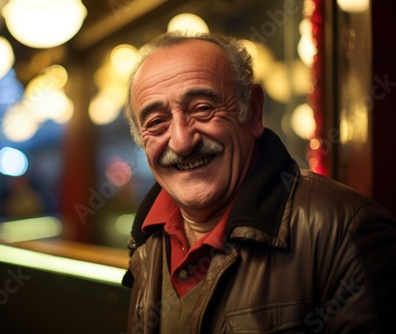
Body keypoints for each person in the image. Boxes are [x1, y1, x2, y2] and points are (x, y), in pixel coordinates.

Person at [121, 31, 396, 333]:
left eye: (202, 108)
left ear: (252, 110)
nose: (183, 142)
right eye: (157, 122)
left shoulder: (348, 230)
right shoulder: (146, 241)